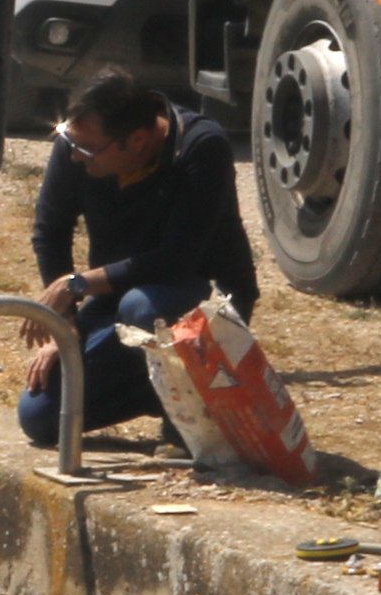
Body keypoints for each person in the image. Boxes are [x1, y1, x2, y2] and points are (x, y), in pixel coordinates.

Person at [19, 68, 256, 449]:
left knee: (145, 305)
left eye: (88, 149)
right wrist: (64, 325)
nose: (75, 156)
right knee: (41, 418)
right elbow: (51, 230)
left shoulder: (201, 147)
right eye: (71, 141)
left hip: (196, 303)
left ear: (138, 140)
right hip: (119, 303)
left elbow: (174, 259)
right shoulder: (79, 143)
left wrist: (76, 284)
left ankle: (189, 415)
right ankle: (154, 389)